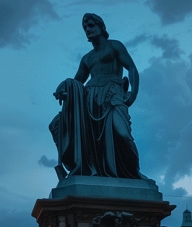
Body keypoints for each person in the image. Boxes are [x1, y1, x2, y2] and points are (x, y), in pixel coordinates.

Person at [50, 13, 143, 180]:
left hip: (112, 95)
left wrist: (133, 93)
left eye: (91, 25)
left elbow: (132, 68)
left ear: (101, 27)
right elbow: (77, 81)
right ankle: (77, 167)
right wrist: (64, 91)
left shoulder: (115, 46)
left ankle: (134, 173)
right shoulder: (87, 58)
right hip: (90, 99)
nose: (88, 29)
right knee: (58, 124)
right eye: (85, 28)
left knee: (122, 133)